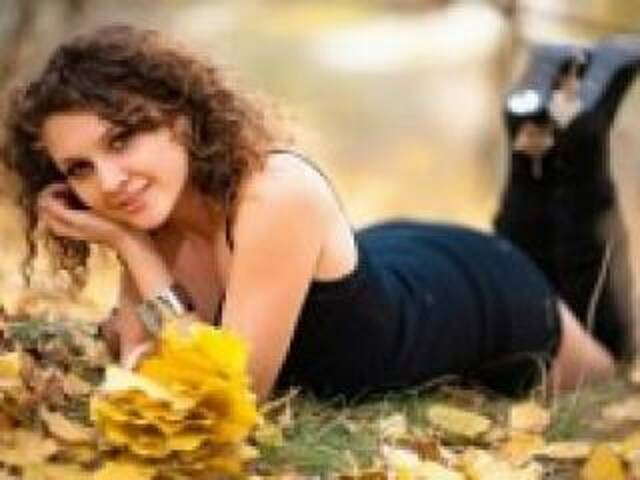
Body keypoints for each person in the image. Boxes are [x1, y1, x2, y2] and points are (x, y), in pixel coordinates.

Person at [2, 25, 639, 402]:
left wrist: (134, 252)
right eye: (79, 169)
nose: (109, 181)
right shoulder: (147, 212)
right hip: (399, 259)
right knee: (542, 270)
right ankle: (536, 128)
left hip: (473, 295)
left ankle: (575, 137)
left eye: (122, 140)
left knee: (611, 361)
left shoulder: (272, 194)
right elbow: (140, 365)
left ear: (178, 115)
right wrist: (132, 247)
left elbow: (227, 394)